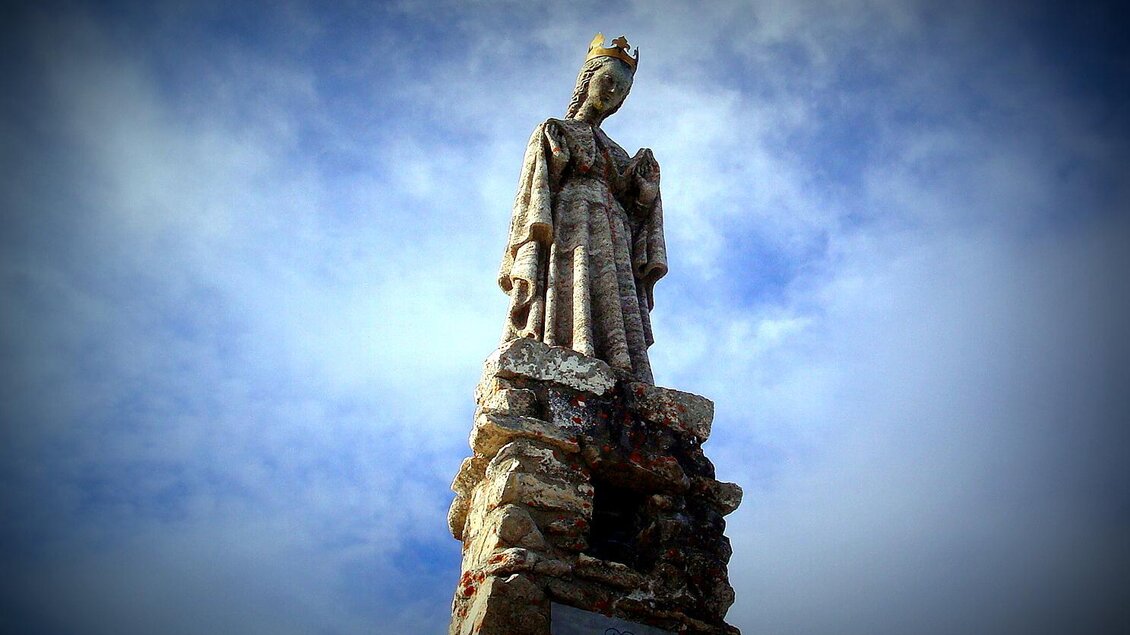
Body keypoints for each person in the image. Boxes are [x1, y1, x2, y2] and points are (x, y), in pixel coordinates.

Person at [498, 34, 667, 384]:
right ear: (588, 79)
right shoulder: (555, 130)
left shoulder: (619, 153)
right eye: (607, 81)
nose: (612, 93)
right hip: (572, 221)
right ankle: (563, 349)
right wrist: (558, 164)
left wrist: (643, 194)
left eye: (621, 90)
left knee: (613, 293)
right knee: (570, 281)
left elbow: (635, 214)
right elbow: (538, 192)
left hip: (613, 235)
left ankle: (620, 362)